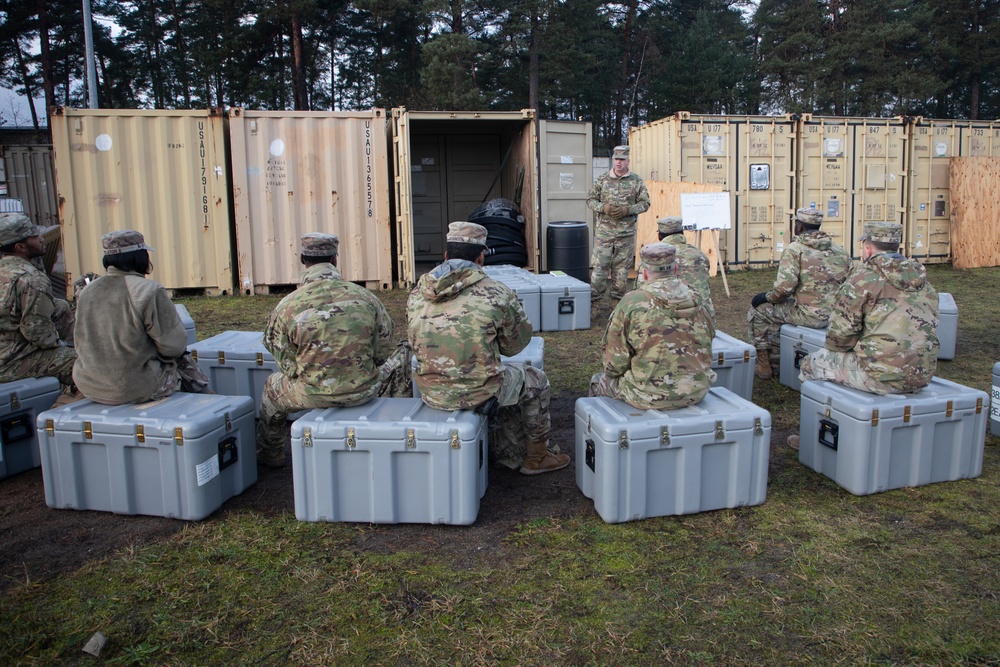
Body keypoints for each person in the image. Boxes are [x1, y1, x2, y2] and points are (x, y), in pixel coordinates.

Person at [408, 221, 568, 475]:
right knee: (535, 379)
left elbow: (415, 341)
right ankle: (537, 457)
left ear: (447, 255)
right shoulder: (496, 292)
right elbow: (515, 346)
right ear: (481, 256)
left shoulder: (418, 292)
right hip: (481, 392)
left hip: (432, 392)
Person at [256, 233, 411, 468]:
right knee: (403, 356)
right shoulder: (367, 298)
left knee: (271, 389)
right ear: (335, 260)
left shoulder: (286, 306)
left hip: (312, 392)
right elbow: (381, 353)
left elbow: (286, 364)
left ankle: (271, 452)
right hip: (365, 389)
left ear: (302, 260)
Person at [798, 221, 938, 396]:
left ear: (868, 249)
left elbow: (839, 339)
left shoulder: (863, 280)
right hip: (922, 375)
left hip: (879, 375)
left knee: (811, 362)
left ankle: (825, 413)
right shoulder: (924, 282)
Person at [72, 230, 211, 404]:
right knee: (182, 358)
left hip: (89, 386)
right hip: (135, 388)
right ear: (141, 257)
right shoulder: (149, 290)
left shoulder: (86, 291)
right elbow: (174, 347)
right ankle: (209, 400)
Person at [590, 242, 716, 410]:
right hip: (696, 391)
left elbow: (614, 365)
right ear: (676, 270)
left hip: (647, 394)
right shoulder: (698, 298)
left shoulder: (632, 303)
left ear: (645, 274)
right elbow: (709, 339)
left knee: (598, 381)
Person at [746, 207, 852, 380]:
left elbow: (783, 289)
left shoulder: (796, 249)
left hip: (808, 315)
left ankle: (764, 365)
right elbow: (851, 286)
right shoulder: (841, 251)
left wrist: (766, 297)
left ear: (799, 226)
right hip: (836, 316)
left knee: (758, 311)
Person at [0, 212, 76, 389]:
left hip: (5, 348)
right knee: (87, 363)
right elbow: (38, 333)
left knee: (60, 306)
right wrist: (62, 347)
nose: (41, 239)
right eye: (34, 236)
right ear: (20, 247)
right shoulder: (31, 279)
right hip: (11, 364)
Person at [586, 145, 651, 319]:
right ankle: (595, 305)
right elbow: (590, 200)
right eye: (616, 159)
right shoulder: (602, 179)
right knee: (599, 270)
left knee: (621, 272)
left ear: (628, 161)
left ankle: (618, 307)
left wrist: (627, 210)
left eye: (622, 159)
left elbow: (645, 204)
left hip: (625, 235)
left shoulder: (636, 181)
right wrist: (604, 207)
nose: (619, 163)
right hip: (604, 235)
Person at [638, 215, 715, 322]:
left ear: (659, 236)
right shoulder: (700, 255)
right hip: (702, 318)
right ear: (682, 233)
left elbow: (641, 292)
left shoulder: (653, 258)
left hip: (664, 321)